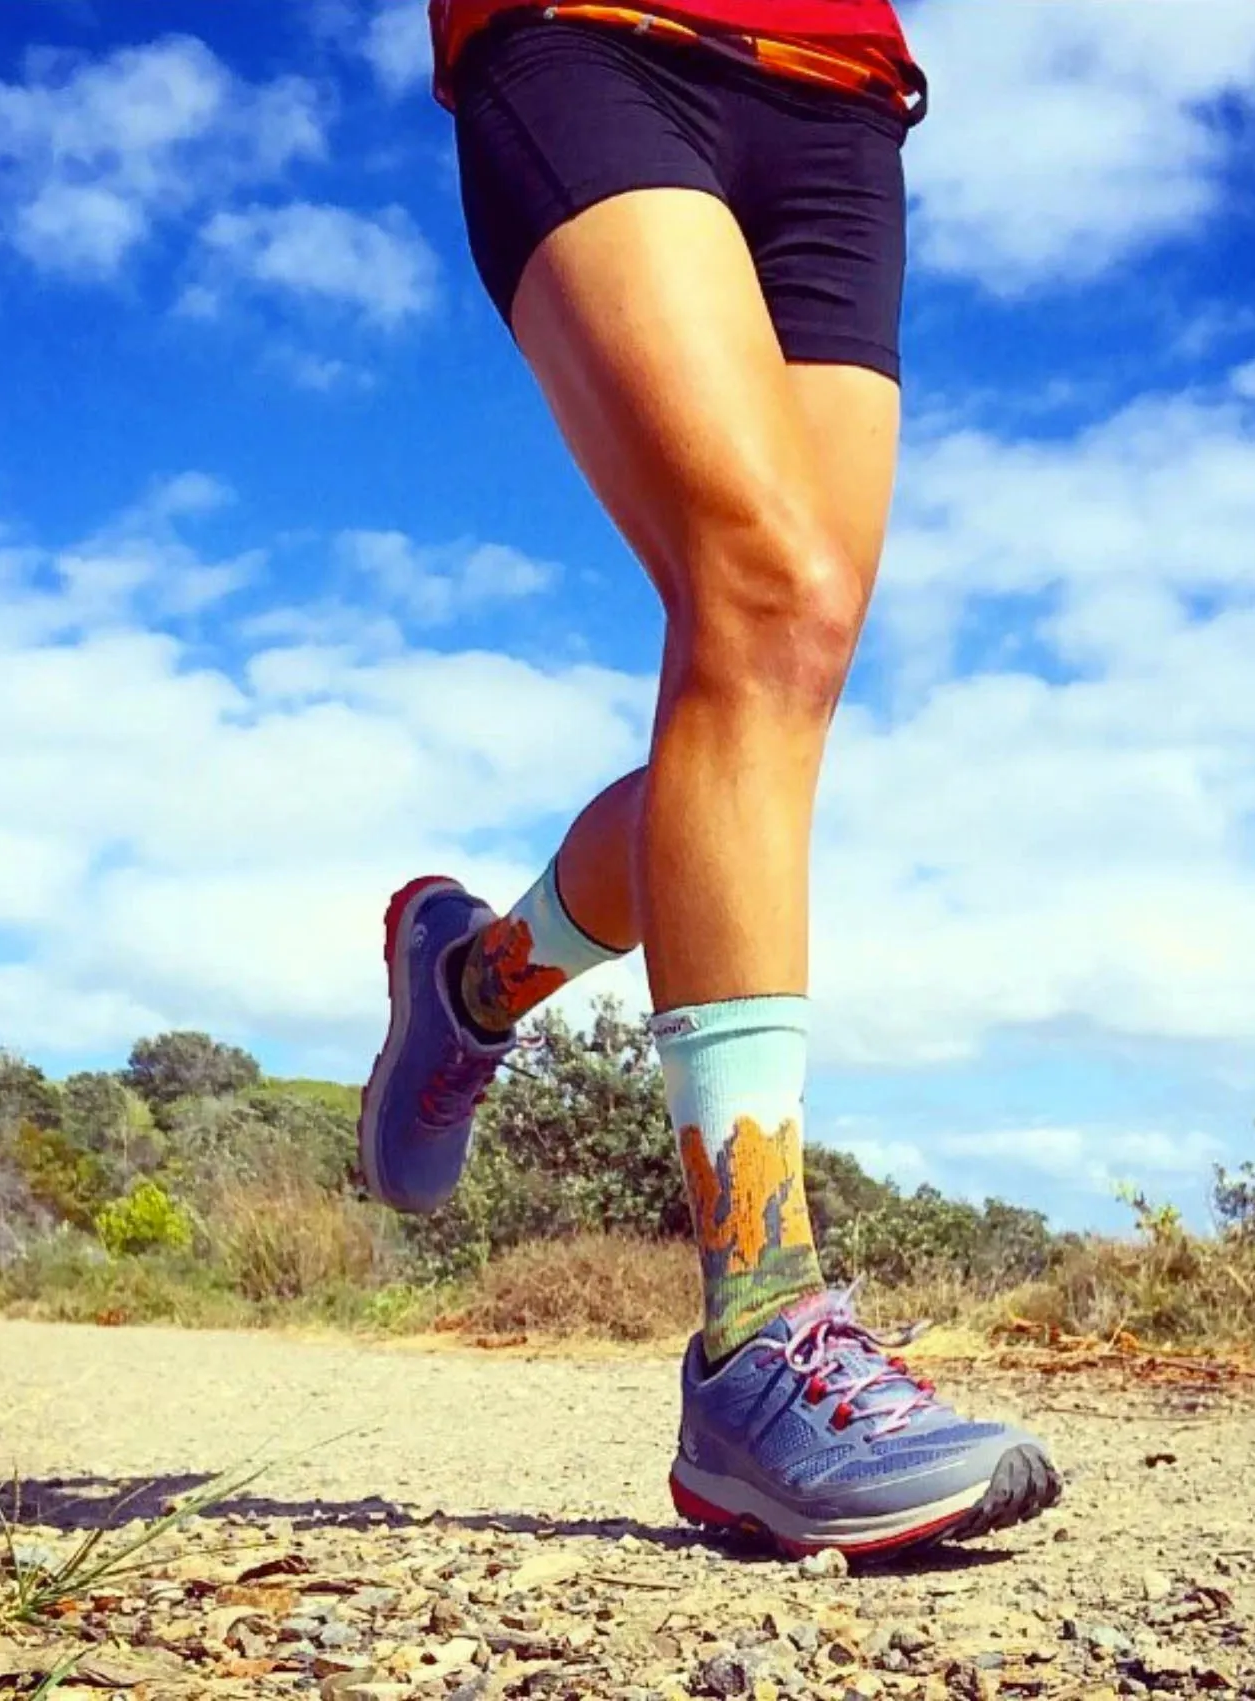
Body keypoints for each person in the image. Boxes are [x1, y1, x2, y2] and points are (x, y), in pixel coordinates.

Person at [361, 0, 1060, 1558]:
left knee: (773, 682)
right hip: (589, 42)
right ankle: (761, 1334)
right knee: (767, 588)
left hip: (841, 98)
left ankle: (474, 981)